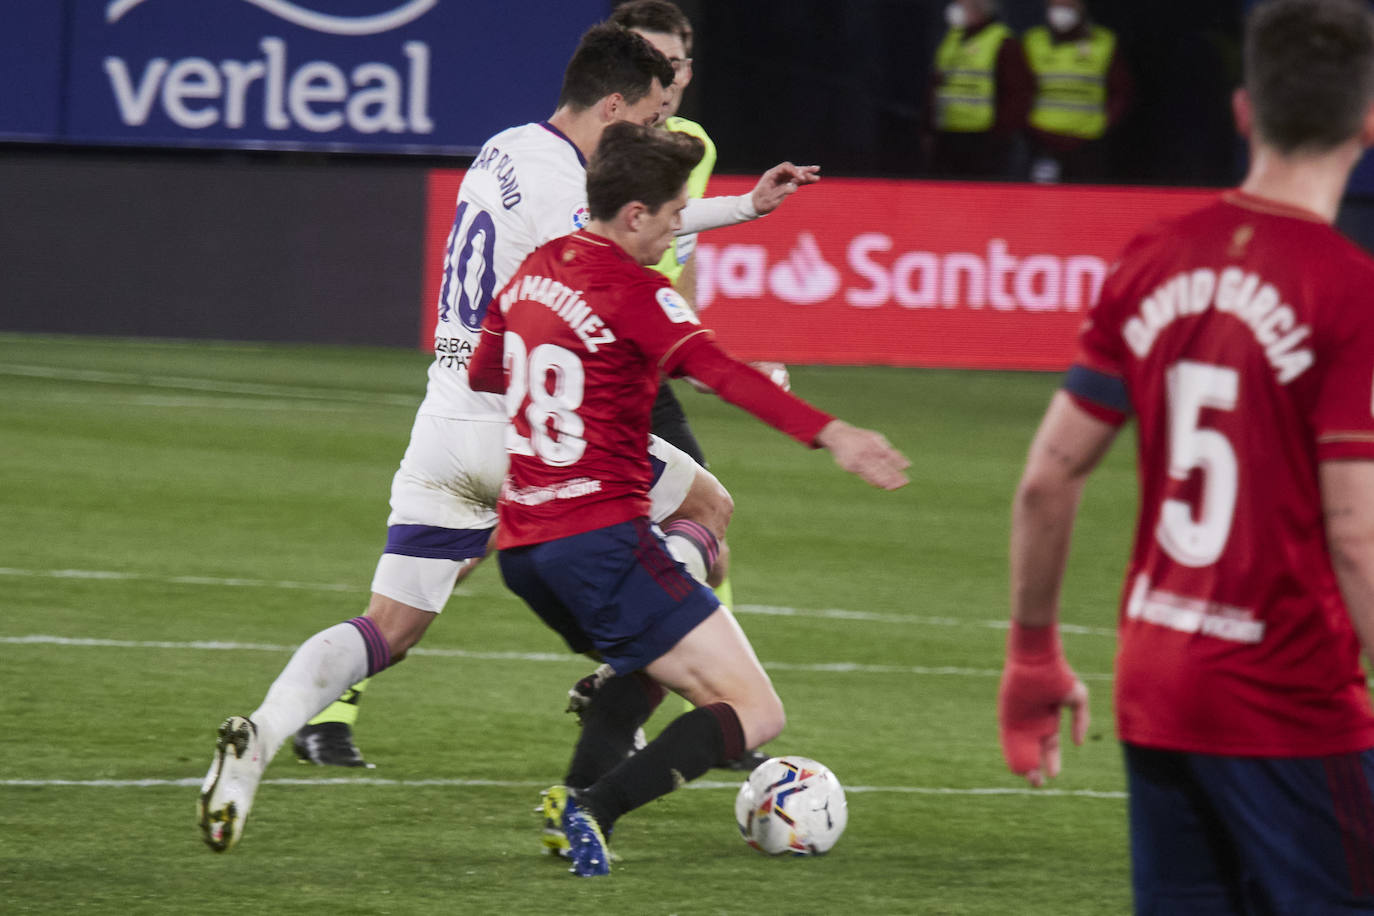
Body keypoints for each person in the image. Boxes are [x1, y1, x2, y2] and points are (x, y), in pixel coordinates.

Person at [198, 22, 819, 853]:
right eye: (639, 120)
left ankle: (261, 737)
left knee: (391, 624)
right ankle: (626, 664)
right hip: (520, 425)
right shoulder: (561, 181)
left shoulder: (503, 151)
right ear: (610, 106)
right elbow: (617, 255)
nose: (646, 134)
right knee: (706, 505)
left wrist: (743, 207)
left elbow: (631, 215)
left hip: (447, 419)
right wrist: (719, 371)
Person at [997, 0, 1374, 910]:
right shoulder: (1348, 291)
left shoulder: (1157, 255)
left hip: (1160, 684)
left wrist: (1034, 654)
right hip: (1290, 698)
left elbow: (1050, 476)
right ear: (1369, 122)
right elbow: (1356, 528)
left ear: (1245, 111)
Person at [467, 121, 910, 877]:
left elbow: (485, 371)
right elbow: (727, 375)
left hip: (527, 552)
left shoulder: (538, 266)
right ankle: (593, 812)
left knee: (650, 655)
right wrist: (832, 433)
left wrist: (605, 377)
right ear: (634, 214)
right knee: (754, 711)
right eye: (674, 213)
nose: (679, 227)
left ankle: (576, 787)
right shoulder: (640, 292)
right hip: (600, 542)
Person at [1022, 0, 1131, 184]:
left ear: (1080, 8)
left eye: (1067, 7)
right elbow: (1018, 89)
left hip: (1086, 141)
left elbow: (1121, 91)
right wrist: (1030, 126)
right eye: (1056, 6)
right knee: (1039, 203)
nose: (1061, 12)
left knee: (1086, 204)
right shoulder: (1033, 41)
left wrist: (1103, 123)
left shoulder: (1104, 42)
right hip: (1042, 141)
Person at [926, 0, 1033, 179]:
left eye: (962, 5)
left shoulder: (1003, 42)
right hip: (947, 138)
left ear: (979, 9)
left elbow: (1018, 94)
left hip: (983, 141)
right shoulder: (952, 39)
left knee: (979, 202)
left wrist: (999, 135)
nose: (956, 9)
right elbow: (935, 86)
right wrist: (928, 128)